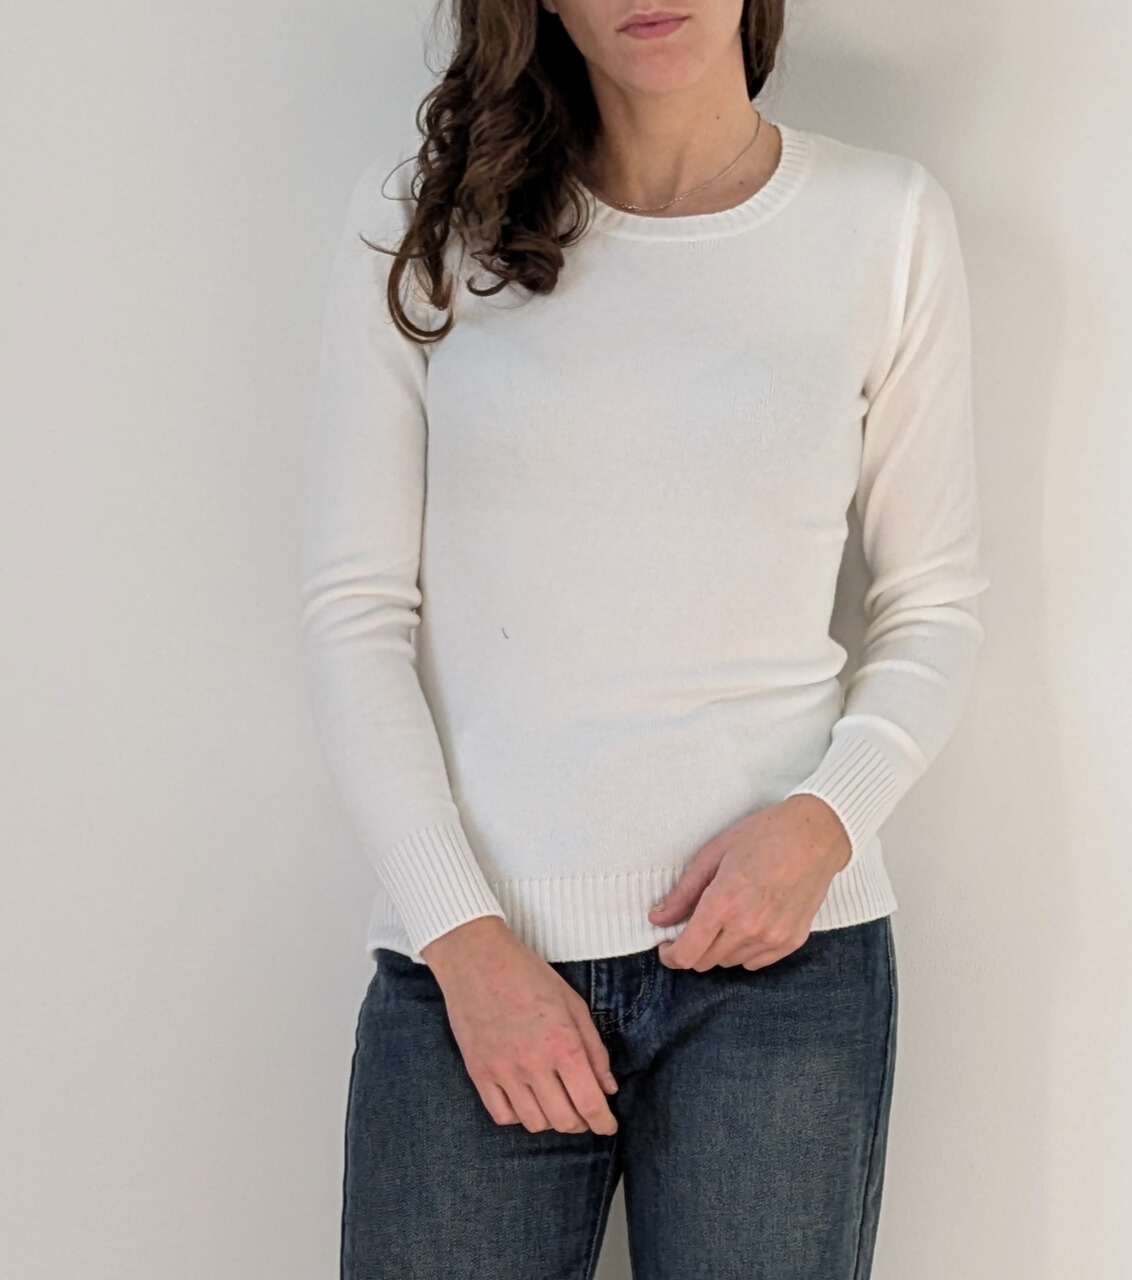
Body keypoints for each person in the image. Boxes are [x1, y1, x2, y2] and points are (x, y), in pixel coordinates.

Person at [298, 1, 990, 1275]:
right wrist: (460, 936)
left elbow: (933, 604)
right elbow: (356, 612)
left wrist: (824, 822)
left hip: (784, 967)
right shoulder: (423, 219)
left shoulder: (882, 221)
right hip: (472, 967)